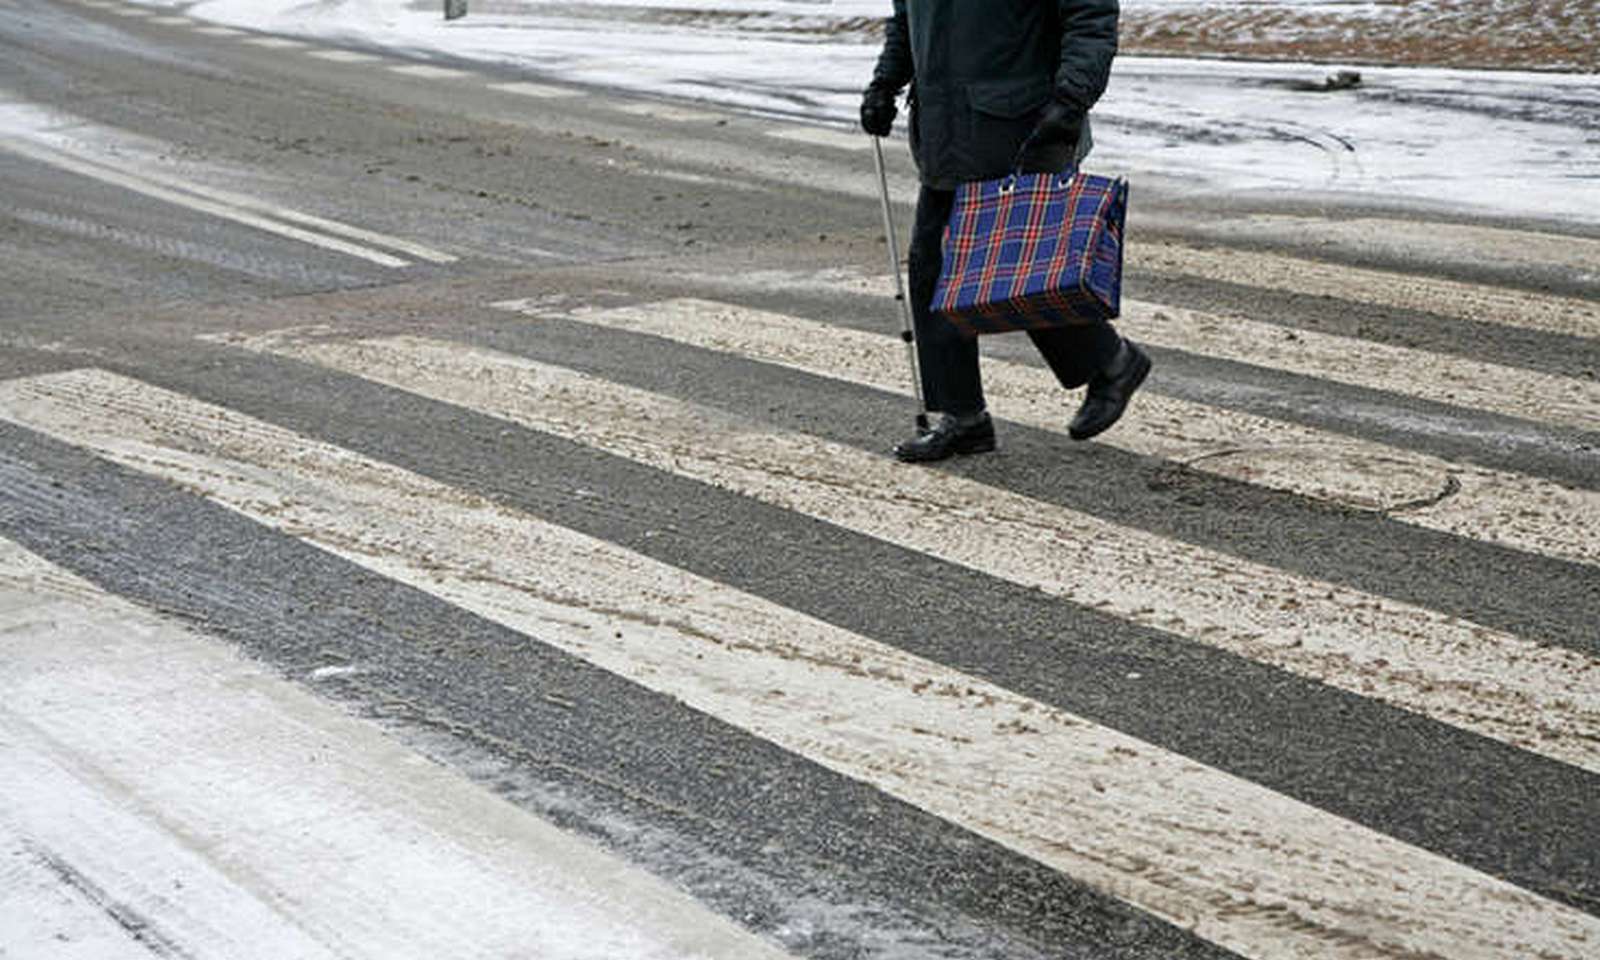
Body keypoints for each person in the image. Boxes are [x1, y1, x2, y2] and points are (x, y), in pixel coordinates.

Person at [860, 0, 1151, 463]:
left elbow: (1090, 17)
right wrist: (885, 83)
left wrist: (1071, 101)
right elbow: (905, 20)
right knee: (935, 271)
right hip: (946, 127)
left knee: (1013, 272)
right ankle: (964, 416)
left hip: (1021, 127)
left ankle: (1110, 362)